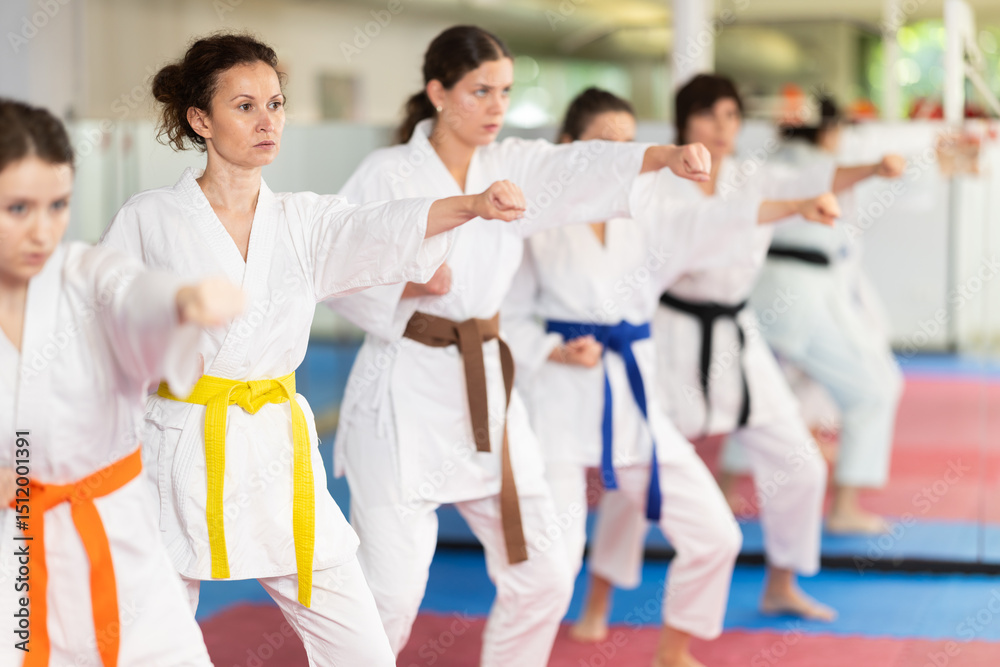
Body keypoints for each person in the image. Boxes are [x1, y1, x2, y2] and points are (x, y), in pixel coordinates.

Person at [100, 32, 526, 665]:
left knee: (363, 650)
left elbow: (377, 227)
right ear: (200, 120)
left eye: (275, 104)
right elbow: (103, 321)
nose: (267, 121)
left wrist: (470, 205)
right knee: (151, 645)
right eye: (245, 106)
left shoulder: (304, 219)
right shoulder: (150, 218)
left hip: (277, 453)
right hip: (180, 447)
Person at [327, 26, 712, 667]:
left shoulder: (511, 164)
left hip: (487, 389)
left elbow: (578, 165)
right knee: (390, 594)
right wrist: (412, 284)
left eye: (505, 92)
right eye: (481, 91)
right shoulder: (386, 173)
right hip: (404, 391)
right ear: (438, 92)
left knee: (545, 575)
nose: (496, 106)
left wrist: (662, 157)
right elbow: (336, 267)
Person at [502, 87, 841, 667]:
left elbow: (717, 217)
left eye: (626, 144)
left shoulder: (648, 214)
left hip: (634, 400)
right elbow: (504, 317)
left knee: (716, 535)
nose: (617, 157)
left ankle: (673, 651)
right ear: (568, 147)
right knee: (553, 566)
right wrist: (552, 349)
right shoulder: (536, 223)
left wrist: (796, 206)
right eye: (603, 144)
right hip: (557, 405)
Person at [576, 73, 904, 640]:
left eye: (731, 115)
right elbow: (707, 224)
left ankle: (781, 584)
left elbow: (816, 178)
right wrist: (792, 206)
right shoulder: (660, 186)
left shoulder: (751, 176)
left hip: (736, 334)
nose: (721, 127)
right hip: (672, 333)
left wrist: (873, 168)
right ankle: (598, 601)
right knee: (637, 473)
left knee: (801, 467)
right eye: (708, 115)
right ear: (684, 122)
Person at [0, 98, 241, 666]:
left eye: (58, 205)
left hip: (120, 546)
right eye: (18, 208)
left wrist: (183, 301)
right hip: (16, 557)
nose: (43, 231)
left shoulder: (86, 274)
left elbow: (132, 294)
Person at [720, 97, 905, 534]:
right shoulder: (825, 168)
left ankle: (724, 489)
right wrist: (884, 166)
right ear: (827, 130)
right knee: (874, 389)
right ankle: (844, 507)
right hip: (801, 295)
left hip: (760, 290)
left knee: (762, 393)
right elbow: (854, 191)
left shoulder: (766, 163)